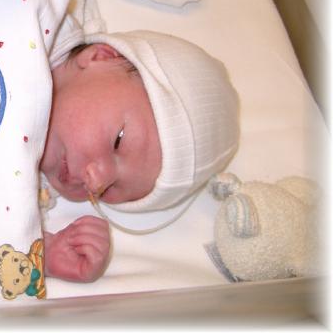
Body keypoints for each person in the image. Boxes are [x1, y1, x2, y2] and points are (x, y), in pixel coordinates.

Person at [41, 30, 240, 283]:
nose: (96, 180)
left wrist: (46, 254)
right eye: (118, 141)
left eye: (107, 190)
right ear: (101, 57)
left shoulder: (22, 192)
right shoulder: (38, 27)